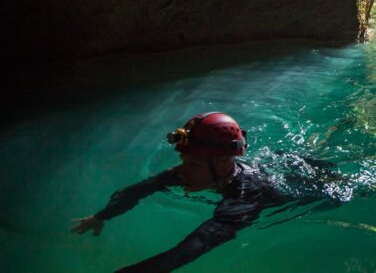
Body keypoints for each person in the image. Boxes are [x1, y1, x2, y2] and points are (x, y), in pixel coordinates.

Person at [71, 112, 289, 272]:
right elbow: (139, 190)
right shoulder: (201, 171)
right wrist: (100, 216)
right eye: (183, 161)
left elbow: (191, 248)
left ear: (223, 165)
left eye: (193, 164)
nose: (180, 171)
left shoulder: (246, 196)